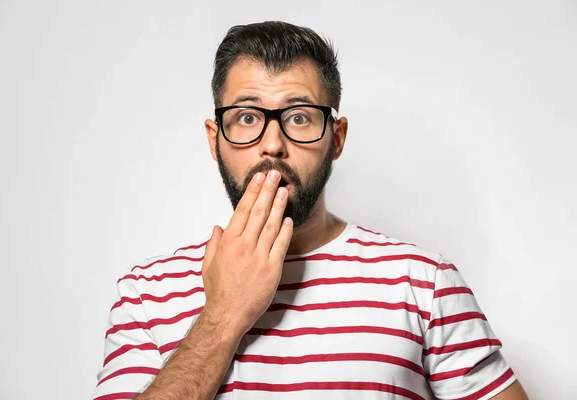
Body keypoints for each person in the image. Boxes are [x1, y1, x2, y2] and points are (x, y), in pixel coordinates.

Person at [92, 21, 529, 400]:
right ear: (214, 139)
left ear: (336, 138)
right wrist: (223, 315)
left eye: (299, 117)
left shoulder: (423, 282)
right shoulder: (146, 294)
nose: (272, 144)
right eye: (246, 117)